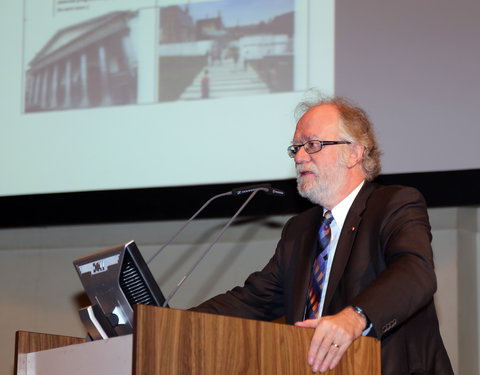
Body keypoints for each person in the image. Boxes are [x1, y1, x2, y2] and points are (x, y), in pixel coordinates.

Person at [191, 94, 454, 374]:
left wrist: (356, 318)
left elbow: (415, 273)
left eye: (313, 145)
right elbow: (252, 300)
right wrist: (171, 321)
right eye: (296, 149)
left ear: (354, 152)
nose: (300, 156)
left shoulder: (394, 204)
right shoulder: (300, 230)